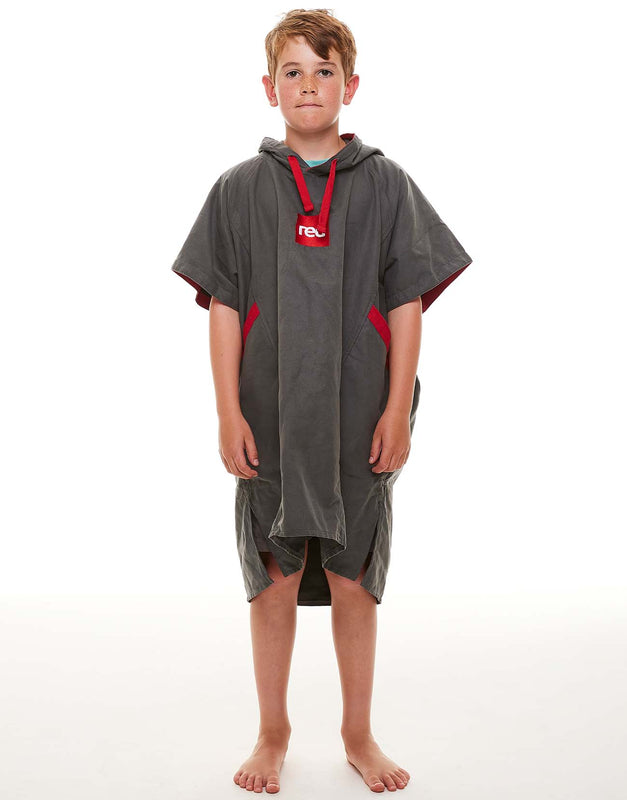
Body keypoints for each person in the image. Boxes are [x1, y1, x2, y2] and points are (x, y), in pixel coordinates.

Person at [170, 8, 472, 794]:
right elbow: (224, 306)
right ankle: (271, 732)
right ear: (267, 87)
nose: (308, 85)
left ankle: (356, 733)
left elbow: (406, 300)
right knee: (270, 576)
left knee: (353, 577)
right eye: (293, 71)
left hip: (358, 416)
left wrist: (396, 408)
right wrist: (227, 411)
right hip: (268, 416)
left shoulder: (386, 185)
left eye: (324, 70)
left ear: (351, 85)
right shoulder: (238, 189)